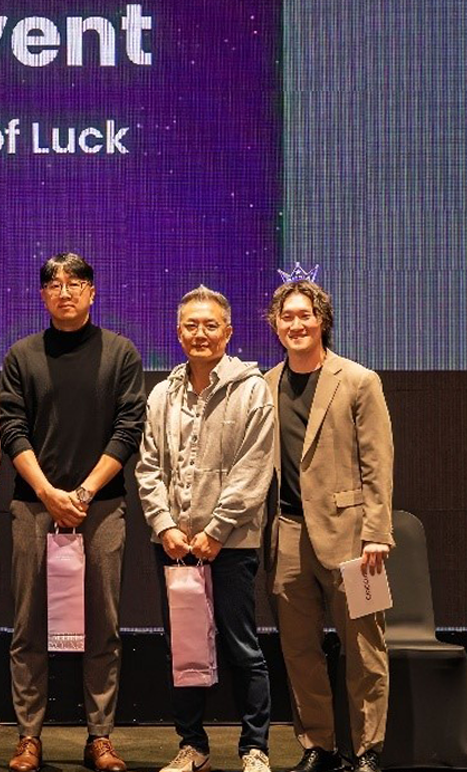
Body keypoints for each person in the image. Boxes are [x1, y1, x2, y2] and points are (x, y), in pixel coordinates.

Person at [0, 253, 144, 772]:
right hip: (33, 507)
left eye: (76, 282)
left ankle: (100, 737)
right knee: (28, 627)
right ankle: (28, 737)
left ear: (92, 292)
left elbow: (128, 429)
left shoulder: (120, 353)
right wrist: (48, 494)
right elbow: (12, 429)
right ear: (43, 295)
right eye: (55, 284)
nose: (65, 291)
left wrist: (81, 494)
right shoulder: (22, 355)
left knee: (103, 625)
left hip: (101, 508)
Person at [135, 286, 275, 772]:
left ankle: (255, 748)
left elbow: (254, 468)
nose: (200, 334)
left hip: (230, 543)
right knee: (185, 648)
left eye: (210, 325)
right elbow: (148, 467)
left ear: (228, 332)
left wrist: (217, 529)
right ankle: (192, 745)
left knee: (242, 646)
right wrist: (164, 525)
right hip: (175, 545)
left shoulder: (252, 390)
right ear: (178, 333)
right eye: (191, 326)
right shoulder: (162, 394)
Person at [264, 278, 393, 772]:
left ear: (322, 321)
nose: (296, 324)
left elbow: (378, 465)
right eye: (287, 317)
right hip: (288, 534)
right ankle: (318, 746)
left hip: (356, 539)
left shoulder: (359, 380)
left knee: (365, 648)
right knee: (299, 650)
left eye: (305, 315)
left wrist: (377, 534)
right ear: (276, 325)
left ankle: (367, 750)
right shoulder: (266, 384)